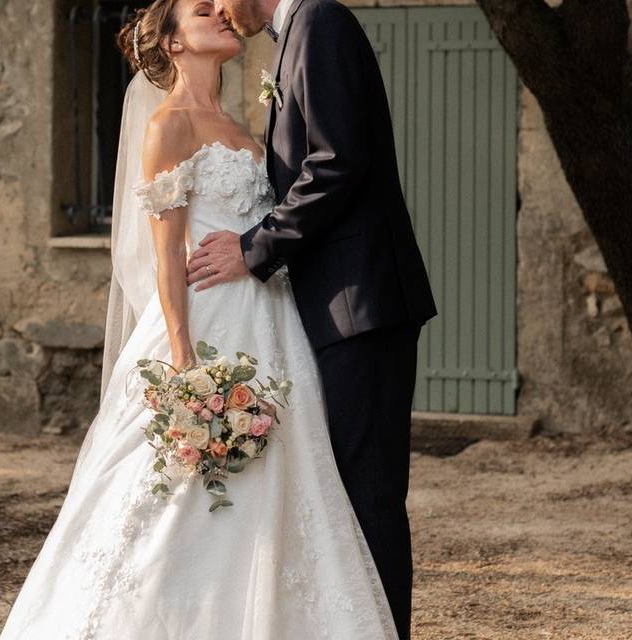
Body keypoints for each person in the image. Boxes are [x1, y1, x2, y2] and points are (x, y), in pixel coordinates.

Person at [0, 0, 409, 637]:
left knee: (287, 482)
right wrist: (183, 355)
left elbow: (310, 183)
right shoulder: (168, 126)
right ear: (173, 42)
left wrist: (256, 252)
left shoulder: (245, 125)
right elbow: (165, 257)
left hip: (273, 321)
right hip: (209, 320)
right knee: (178, 494)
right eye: (200, 9)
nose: (219, 11)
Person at [184, 0, 438, 637]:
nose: (216, 7)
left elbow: (335, 162)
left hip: (361, 305)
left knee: (370, 493)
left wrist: (254, 248)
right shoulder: (295, 33)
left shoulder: (321, 21)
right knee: (348, 493)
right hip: (336, 307)